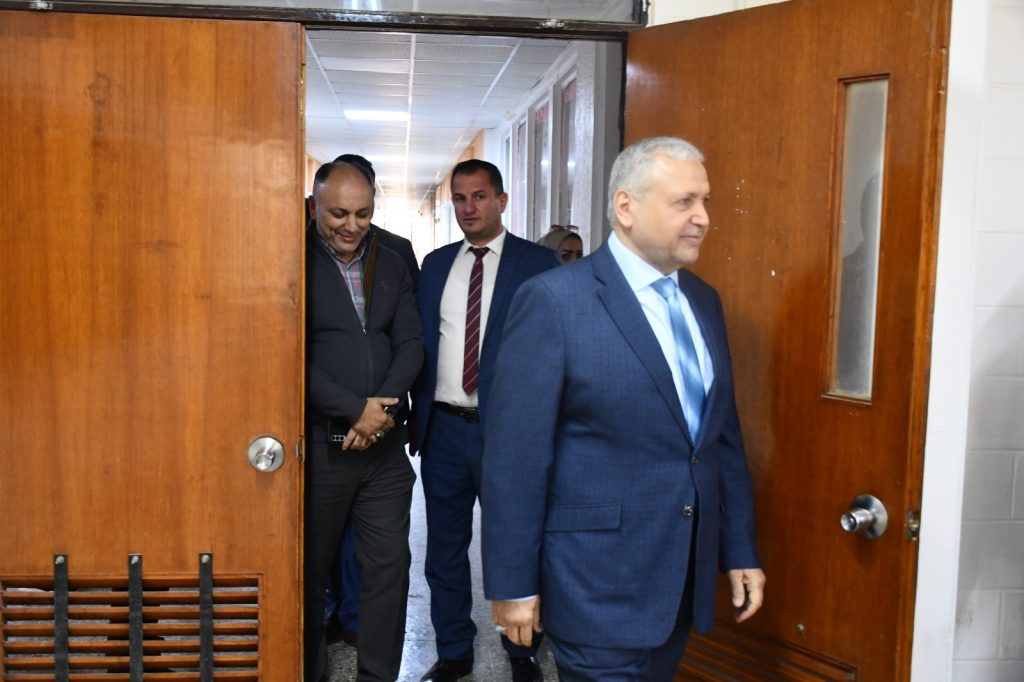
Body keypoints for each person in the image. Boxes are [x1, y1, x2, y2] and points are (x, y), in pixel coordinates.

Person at [481, 136, 765, 681]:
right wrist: (513, 585)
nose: (703, 218)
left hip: (678, 584)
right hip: (593, 586)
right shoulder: (555, 301)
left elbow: (720, 441)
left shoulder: (704, 301)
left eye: (705, 201)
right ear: (626, 206)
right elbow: (515, 460)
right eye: (684, 202)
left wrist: (740, 549)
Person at [412, 159, 558, 682]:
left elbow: (555, 349)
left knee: (515, 543)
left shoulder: (539, 264)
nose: (468, 208)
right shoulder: (435, 265)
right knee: (444, 550)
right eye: (459, 198)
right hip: (445, 430)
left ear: (501, 200)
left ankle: (523, 652)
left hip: (511, 434)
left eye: (479, 196)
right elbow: (419, 343)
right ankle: (454, 650)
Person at [305, 161, 423, 682]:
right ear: (314, 206)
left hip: (383, 453)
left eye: (363, 213)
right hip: (319, 450)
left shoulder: (391, 262)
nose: (351, 225)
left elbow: (411, 343)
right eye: (338, 214)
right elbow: (287, 354)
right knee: (308, 575)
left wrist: (381, 410)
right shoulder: (290, 260)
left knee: (388, 572)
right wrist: (355, 409)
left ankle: (378, 676)